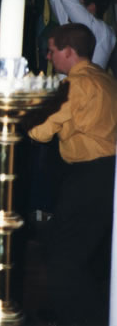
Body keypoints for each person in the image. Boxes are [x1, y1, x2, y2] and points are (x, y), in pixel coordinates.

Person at [27, 23, 117, 325]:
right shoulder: (105, 78)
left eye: (52, 51)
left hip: (89, 180)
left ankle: (80, 318)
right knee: (86, 254)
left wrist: (19, 110)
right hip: (109, 176)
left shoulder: (74, 86)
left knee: (62, 259)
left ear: (69, 51)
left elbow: (40, 132)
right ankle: (76, 310)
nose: (49, 57)